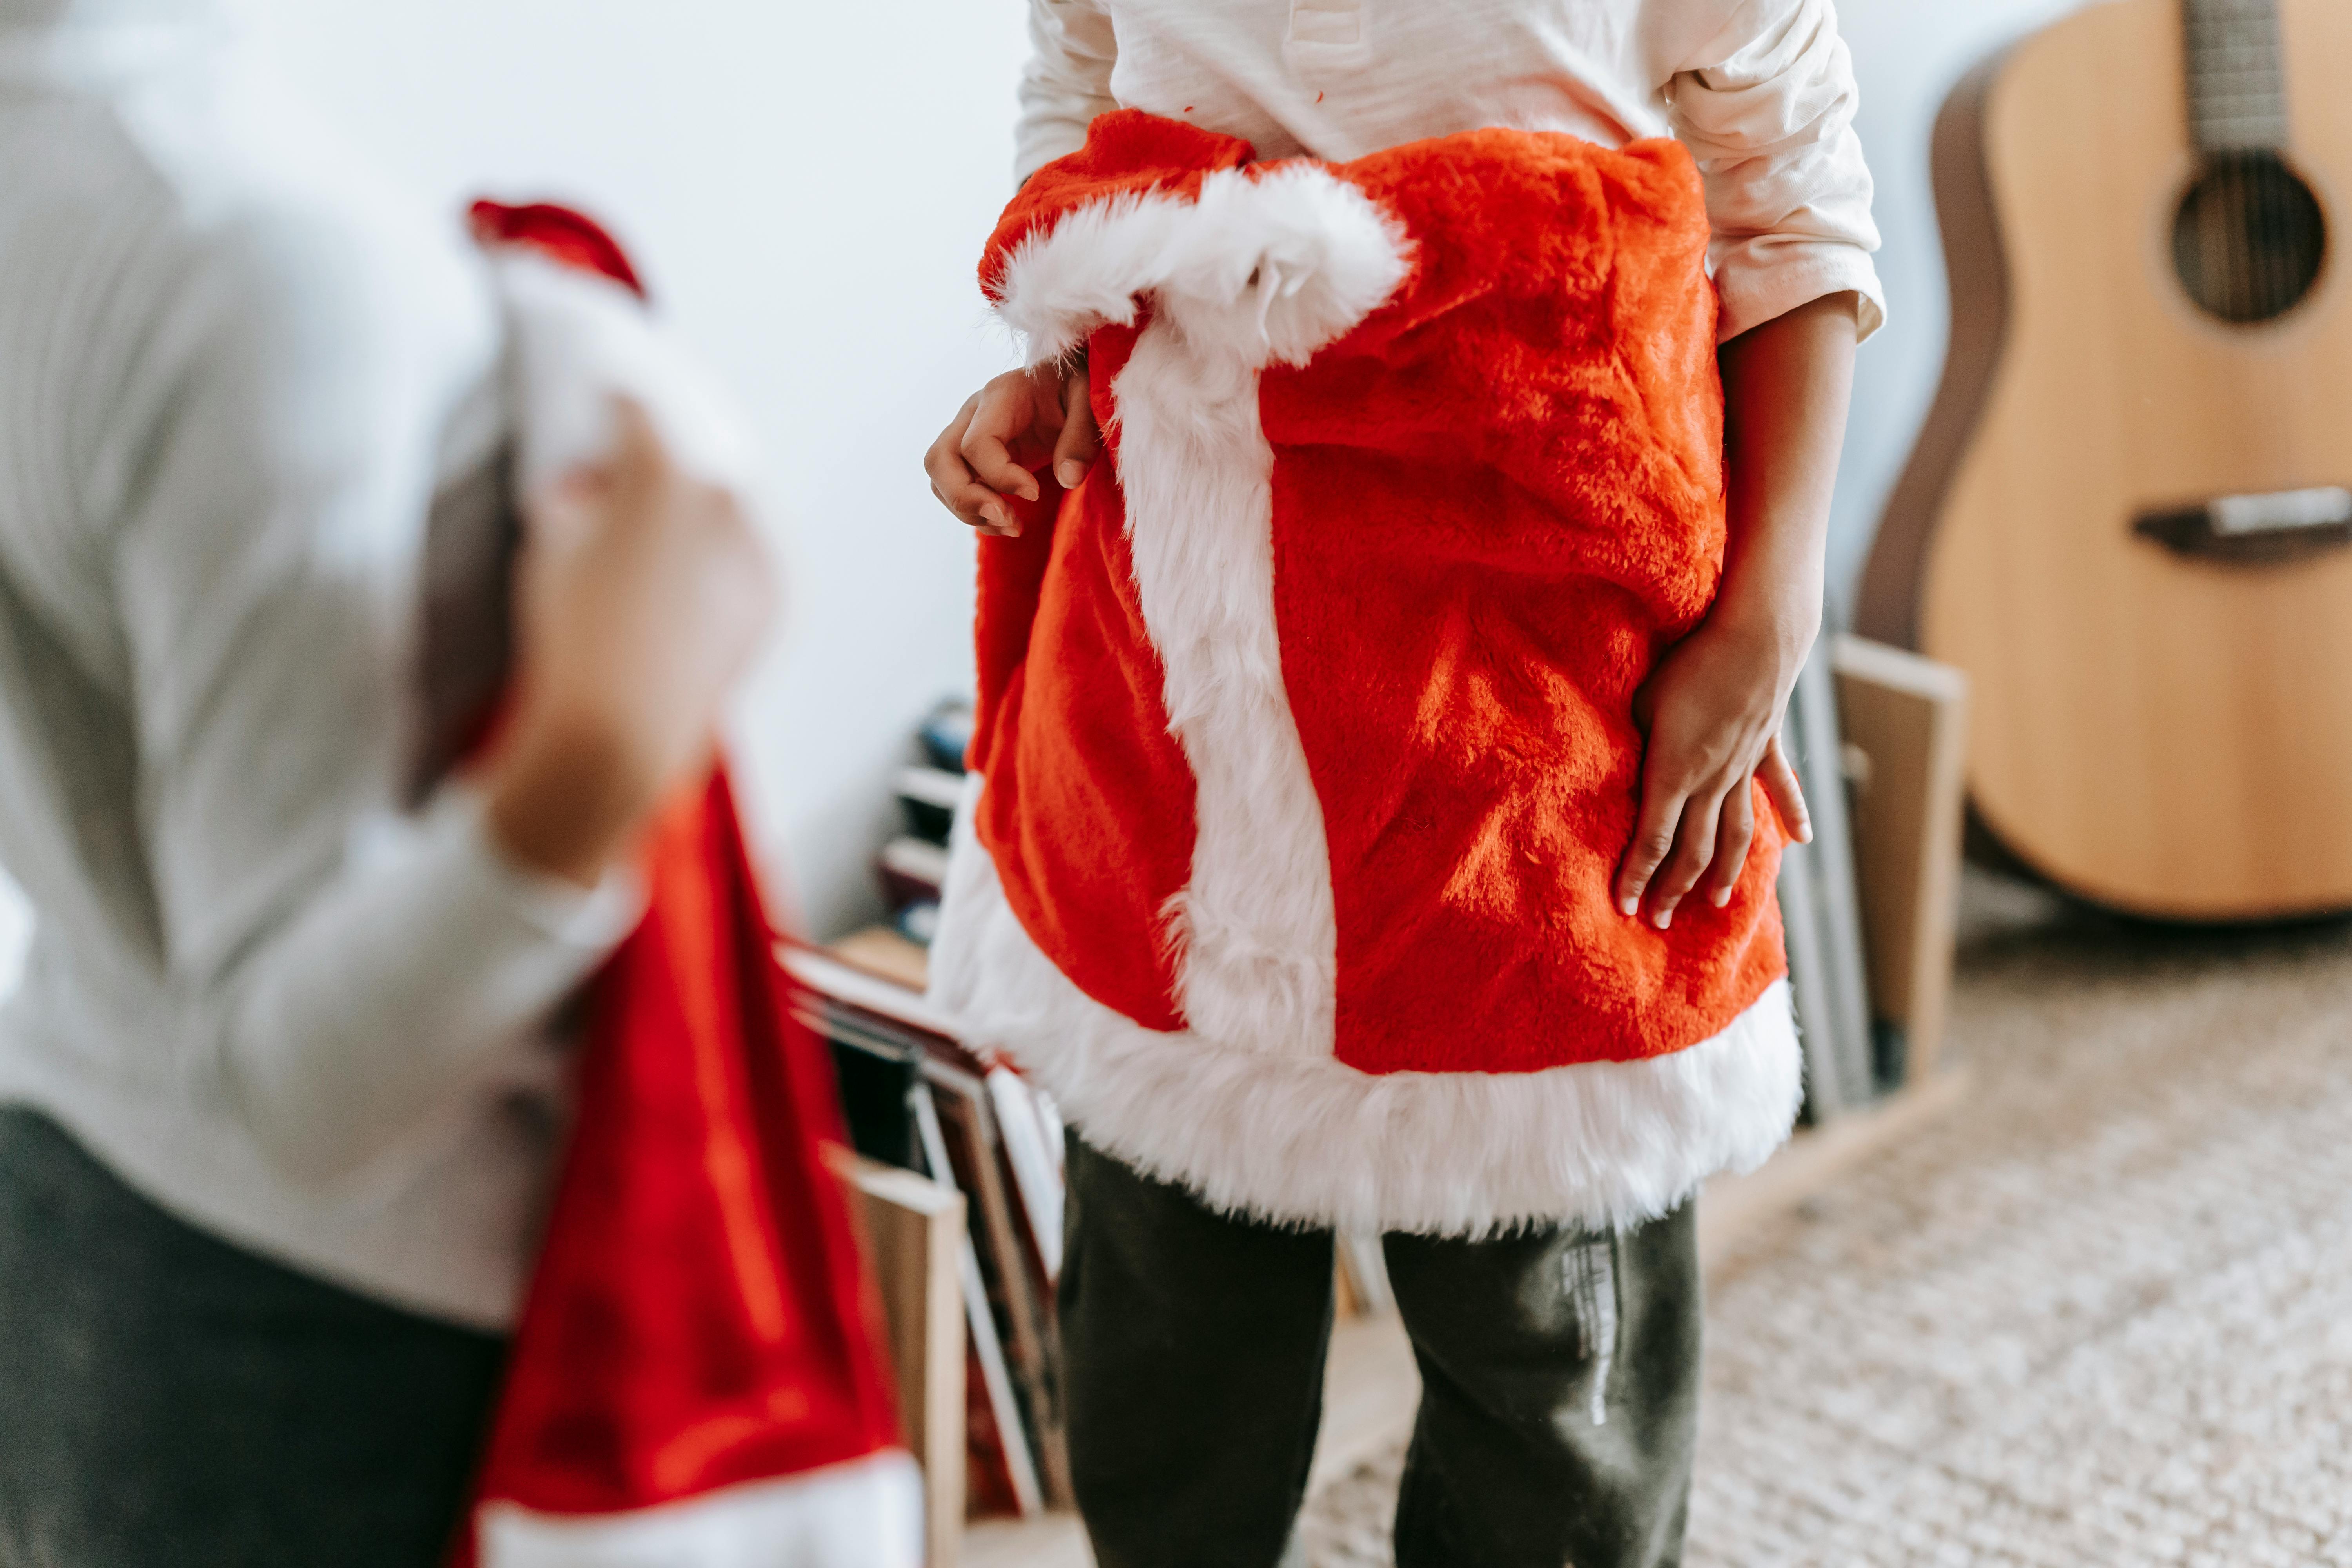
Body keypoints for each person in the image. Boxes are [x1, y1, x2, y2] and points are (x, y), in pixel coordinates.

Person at [923, 3, 1880, 1564]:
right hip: (1180, 630)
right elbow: (1085, 89)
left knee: (1549, 1361)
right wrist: (1053, 360)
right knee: (1166, 1320)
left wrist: (1771, 608)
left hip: (1541, 657)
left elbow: (1791, 192)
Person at [0, 2, 772, 1563]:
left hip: (83, 1188)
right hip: (317, 1341)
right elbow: (294, 1089)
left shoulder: (77, 166)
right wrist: (597, 756)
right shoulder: (229, 245)